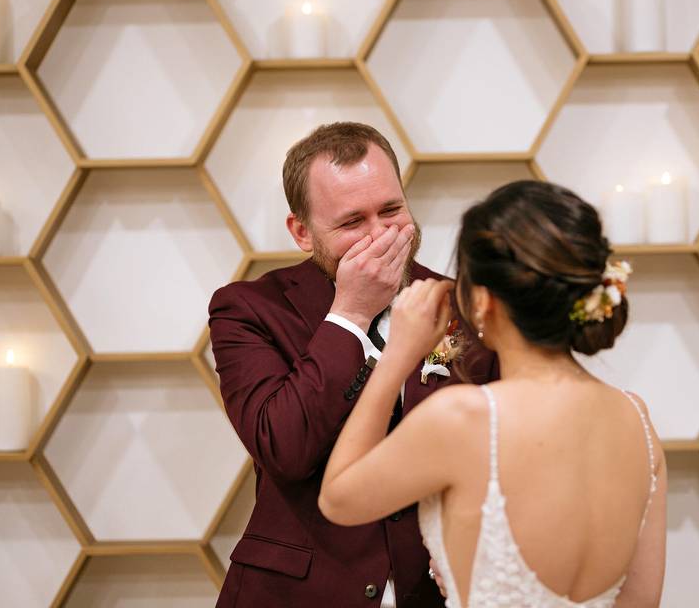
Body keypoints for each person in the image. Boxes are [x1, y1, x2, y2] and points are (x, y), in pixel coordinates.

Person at [319, 180, 667, 607]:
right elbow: (643, 600)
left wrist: (397, 358)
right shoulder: (637, 420)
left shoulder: (465, 418)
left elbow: (338, 498)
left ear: (481, 301)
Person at [208, 122, 498, 607]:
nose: (381, 235)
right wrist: (351, 314)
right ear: (302, 232)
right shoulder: (249, 308)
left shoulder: (466, 307)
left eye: (392, 210)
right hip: (297, 593)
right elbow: (285, 448)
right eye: (352, 223)